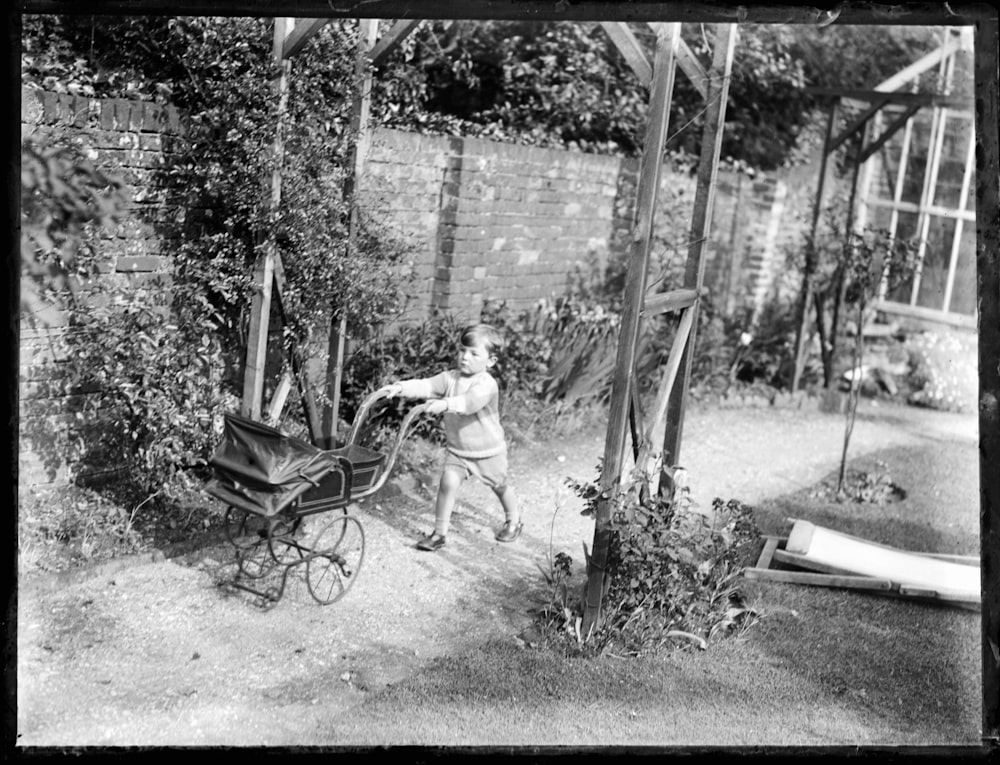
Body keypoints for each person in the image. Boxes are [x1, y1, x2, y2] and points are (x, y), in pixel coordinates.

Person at [379, 323, 522, 552]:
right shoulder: (450, 378)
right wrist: (400, 388)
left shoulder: (486, 384)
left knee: (499, 485)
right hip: (458, 450)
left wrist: (445, 404)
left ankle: (513, 520)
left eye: (474, 353)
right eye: (462, 350)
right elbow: (426, 385)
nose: (465, 357)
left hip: (487, 451)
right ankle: (439, 533)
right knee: (447, 484)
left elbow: (469, 403)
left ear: (490, 361)